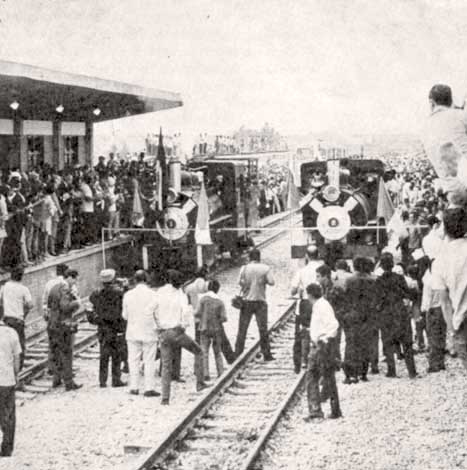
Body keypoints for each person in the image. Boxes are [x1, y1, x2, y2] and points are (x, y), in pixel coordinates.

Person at [154, 269, 208, 405]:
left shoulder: (159, 293)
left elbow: (152, 311)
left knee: (166, 366)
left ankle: (165, 398)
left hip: (164, 333)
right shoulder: (180, 294)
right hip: (177, 331)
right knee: (198, 351)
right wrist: (184, 325)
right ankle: (200, 383)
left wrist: (158, 327)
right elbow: (186, 311)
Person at [432, 207, 467, 371]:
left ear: (445, 229)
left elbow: (445, 303)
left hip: (461, 321)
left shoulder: (440, 260)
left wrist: (452, 332)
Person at [375, 253, 417, 379]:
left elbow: (377, 299)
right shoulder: (399, 278)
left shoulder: (379, 281)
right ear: (392, 264)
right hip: (400, 311)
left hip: (386, 313)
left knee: (387, 342)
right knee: (407, 342)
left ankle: (391, 370)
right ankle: (411, 370)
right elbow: (408, 293)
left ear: (381, 265)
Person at [303, 283, 342, 421]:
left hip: (321, 346)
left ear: (309, 294)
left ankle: (315, 411)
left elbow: (333, 325)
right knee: (328, 377)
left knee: (312, 376)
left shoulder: (321, 306)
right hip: (323, 345)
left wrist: (323, 339)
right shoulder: (322, 304)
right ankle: (335, 409)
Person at [122, 270, 160, 396]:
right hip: (149, 331)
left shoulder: (128, 295)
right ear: (146, 279)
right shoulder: (153, 294)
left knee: (133, 360)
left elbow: (125, 316)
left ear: (135, 280)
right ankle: (149, 388)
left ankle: (134, 387)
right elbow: (157, 314)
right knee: (149, 360)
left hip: (132, 331)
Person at [421, 84, 467, 190]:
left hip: (452, 190)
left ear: (431, 103)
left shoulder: (424, 127)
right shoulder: (461, 116)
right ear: (451, 100)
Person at [235, 248, 275, 361]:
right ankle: (266, 353)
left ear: (249, 257)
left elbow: (239, 282)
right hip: (260, 301)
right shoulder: (265, 268)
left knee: (242, 329)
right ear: (259, 257)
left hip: (246, 301)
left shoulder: (244, 268)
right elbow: (272, 282)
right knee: (263, 329)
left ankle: (238, 353)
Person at [89, 269, 126, 388]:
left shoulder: (96, 293)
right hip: (116, 327)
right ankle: (116, 380)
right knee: (116, 355)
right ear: (113, 279)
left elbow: (91, 303)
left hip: (103, 328)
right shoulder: (119, 293)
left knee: (104, 355)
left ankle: (102, 381)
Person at [290, 245, 323, 372]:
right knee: (319, 332)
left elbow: (292, 291)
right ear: (318, 255)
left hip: (304, 304)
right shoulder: (322, 269)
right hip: (319, 303)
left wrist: (298, 290)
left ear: (307, 256)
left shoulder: (301, 271)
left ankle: (300, 362)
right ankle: (318, 360)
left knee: (302, 333)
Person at [47, 269, 82, 391]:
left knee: (55, 352)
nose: (75, 283)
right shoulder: (65, 288)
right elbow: (65, 307)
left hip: (52, 324)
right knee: (67, 352)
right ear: (70, 278)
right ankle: (69, 382)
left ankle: (56, 380)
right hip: (63, 325)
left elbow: (49, 304)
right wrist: (76, 303)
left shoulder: (54, 287)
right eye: (75, 279)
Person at [0, 266, 33, 370]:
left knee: (6, 344)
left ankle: (7, 367)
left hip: (6, 320)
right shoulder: (23, 289)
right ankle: (18, 370)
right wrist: (24, 313)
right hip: (18, 321)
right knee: (19, 346)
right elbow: (30, 304)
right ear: (21, 276)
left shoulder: (4, 287)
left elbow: (0, 302)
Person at [195, 279, 227, 381]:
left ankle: (205, 374)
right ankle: (220, 372)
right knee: (218, 351)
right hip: (217, 329)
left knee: (204, 351)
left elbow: (197, 313)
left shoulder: (203, 300)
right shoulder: (220, 302)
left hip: (204, 328)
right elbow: (224, 318)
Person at [0, 307, 21, 456]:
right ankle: (7, 448)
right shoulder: (11, 333)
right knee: (8, 414)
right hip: (6, 380)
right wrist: (16, 375)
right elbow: (17, 358)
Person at [42, 263, 69, 373]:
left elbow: (44, 300)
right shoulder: (64, 284)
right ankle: (61, 368)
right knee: (62, 343)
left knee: (52, 342)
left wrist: (45, 312)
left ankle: (51, 366)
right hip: (60, 316)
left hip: (50, 315)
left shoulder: (49, 283)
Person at [421, 263, 446, 373]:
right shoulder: (442, 279)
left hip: (432, 309)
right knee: (441, 336)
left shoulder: (428, 280)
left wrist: (424, 309)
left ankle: (434, 364)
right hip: (443, 309)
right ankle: (441, 362)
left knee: (432, 336)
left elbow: (427, 298)